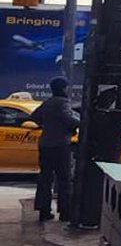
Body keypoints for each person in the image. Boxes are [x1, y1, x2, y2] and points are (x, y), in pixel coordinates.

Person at [31, 77, 78, 222]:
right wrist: (80, 122)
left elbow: (34, 116)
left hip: (45, 145)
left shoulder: (48, 102)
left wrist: (48, 125)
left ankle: (44, 210)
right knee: (64, 179)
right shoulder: (63, 102)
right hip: (60, 145)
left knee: (45, 178)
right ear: (63, 88)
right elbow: (68, 119)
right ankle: (65, 212)